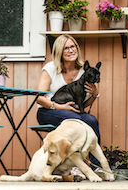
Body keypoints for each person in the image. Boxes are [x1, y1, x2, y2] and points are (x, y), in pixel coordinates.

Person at [36, 34, 101, 169]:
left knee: (91, 120)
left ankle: (97, 167)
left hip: (73, 112)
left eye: (73, 46)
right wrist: (59, 107)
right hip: (48, 111)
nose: (71, 51)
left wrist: (95, 94)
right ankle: (75, 167)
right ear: (59, 52)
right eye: (66, 48)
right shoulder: (50, 68)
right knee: (75, 120)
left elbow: (83, 103)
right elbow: (39, 98)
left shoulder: (85, 70)